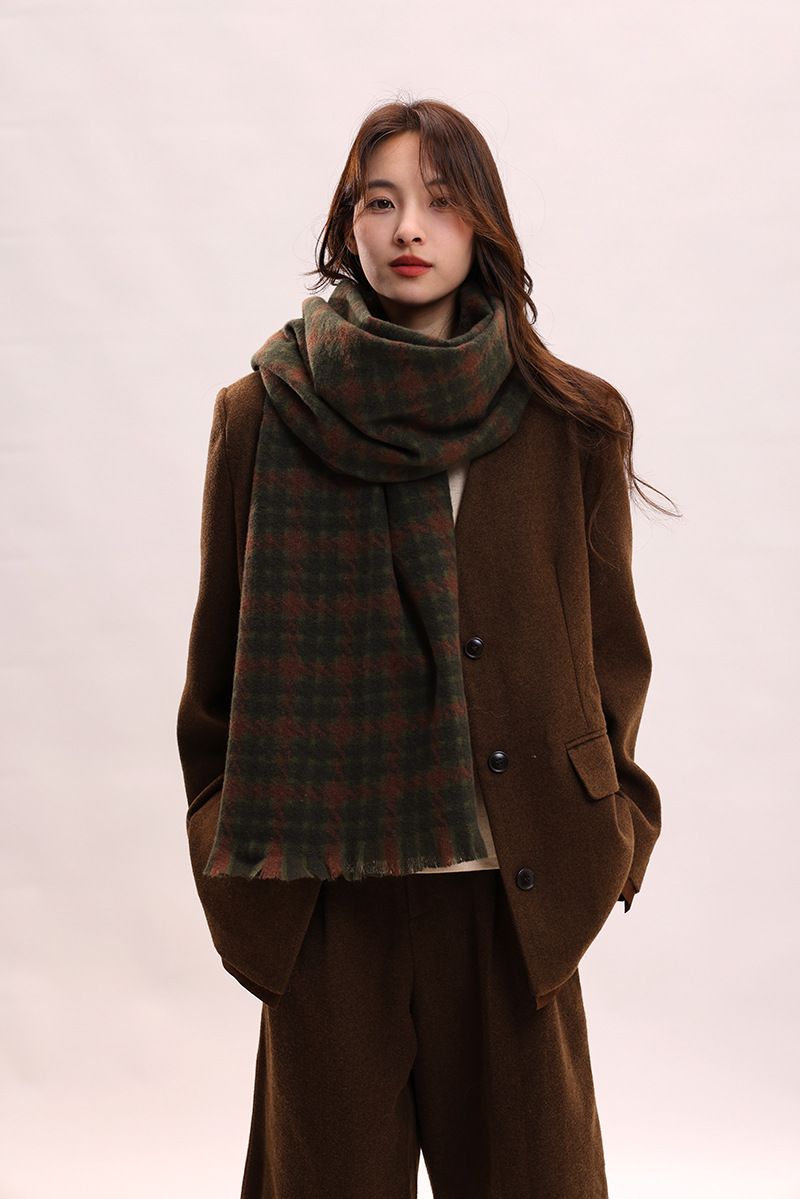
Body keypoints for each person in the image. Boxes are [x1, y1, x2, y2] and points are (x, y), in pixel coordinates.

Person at [178, 97, 664, 1199]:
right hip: (324, 890)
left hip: (511, 892)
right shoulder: (260, 415)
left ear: (481, 222)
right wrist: (222, 838)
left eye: (439, 202)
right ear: (345, 224)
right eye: (380, 201)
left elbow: (611, 654)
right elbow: (215, 676)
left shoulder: (570, 420)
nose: (407, 228)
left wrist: (616, 826)